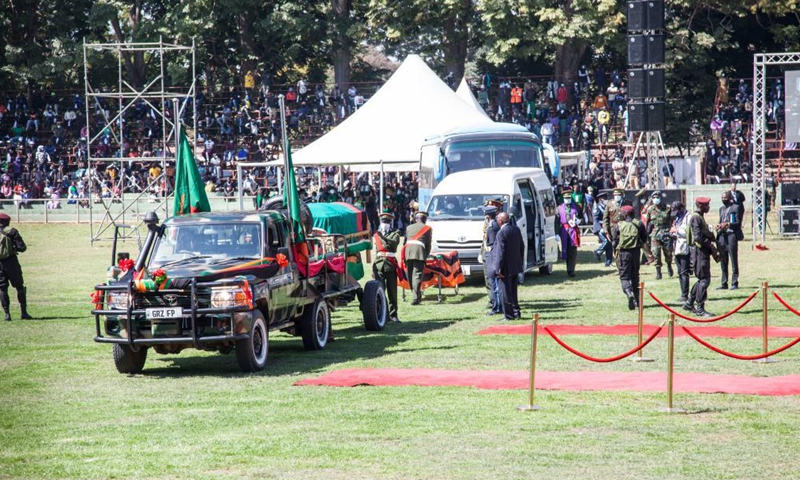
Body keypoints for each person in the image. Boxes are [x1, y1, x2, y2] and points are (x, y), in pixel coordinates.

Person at [683, 197, 719, 317]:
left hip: (701, 251)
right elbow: (697, 237)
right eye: (706, 205)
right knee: (704, 280)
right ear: (700, 206)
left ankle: (689, 303)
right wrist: (710, 244)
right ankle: (700, 308)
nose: (708, 207)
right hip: (699, 252)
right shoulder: (696, 218)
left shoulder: (700, 217)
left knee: (701, 280)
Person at [612, 205, 647, 310]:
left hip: (623, 254)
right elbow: (644, 238)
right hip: (636, 253)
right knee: (635, 276)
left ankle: (628, 292)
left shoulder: (618, 225)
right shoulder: (639, 224)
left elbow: (614, 242)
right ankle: (637, 301)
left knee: (624, 277)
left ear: (625, 214)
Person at [492, 212, 524, 320]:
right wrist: (520, 262)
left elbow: (500, 252)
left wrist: (498, 269)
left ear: (501, 221)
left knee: (505, 292)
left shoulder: (501, 233)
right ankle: (516, 312)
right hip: (515, 265)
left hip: (505, 267)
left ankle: (509, 315)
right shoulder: (516, 229)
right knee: (513, 291)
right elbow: (521, 247)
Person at [373, 210, 401, 323]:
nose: (385, 223)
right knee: (379, 291)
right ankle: (383, 314)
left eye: (387, 221)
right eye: (383, 221)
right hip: (379, 264)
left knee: (392, 291)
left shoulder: (395, 233)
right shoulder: (376, 234)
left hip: (390, 265)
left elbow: (393, 244)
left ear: (391, 222)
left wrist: (383, 238)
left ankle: (393, 314)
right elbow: (376, 251)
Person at [0, 213, 30, 320]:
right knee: (19, 287)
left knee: (3, 289)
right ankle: (24, 312)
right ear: (7, 221)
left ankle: (7, 314)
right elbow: (22, 247)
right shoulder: (12, 231)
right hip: (11, 262)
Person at [403, 211, 432, 305]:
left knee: (410, 275)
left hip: (408, 252)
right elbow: (428, 244)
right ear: (425, 219)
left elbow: (404, 242)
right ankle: (415, 298)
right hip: (419, 252)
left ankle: (416, 294)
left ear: (416, 219)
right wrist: (425, 255)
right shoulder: (427, 228)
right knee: (417, 275)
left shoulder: (408, 227)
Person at [716, 191, 744, 290]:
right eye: (722, 198)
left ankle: (734, 282)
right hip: (722, 236)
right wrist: (719, 226)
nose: (724, 199)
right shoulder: (721, 209)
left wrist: (727, 224)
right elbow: (720, 220)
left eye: (725, 198)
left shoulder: (736, 207)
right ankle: (724, 282)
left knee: (733, 259)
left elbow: (737, 222)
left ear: (730, 198)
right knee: (723, 261)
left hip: (731, 235)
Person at [645, 191, 674, 280]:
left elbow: (672, 220)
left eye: (657, 198)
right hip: (655, 233)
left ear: (660, 198)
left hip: (665, 232)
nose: (655, 200)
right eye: (653, 198)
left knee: (668, 252)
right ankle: (658, 272)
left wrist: (671, 231)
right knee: (656, 253)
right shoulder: (650, 209)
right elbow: (648, 222)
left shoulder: (667, 208)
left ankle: (669, 265)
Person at [482, 202, 502, 316]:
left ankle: (497, 307)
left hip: (492, 256)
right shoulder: (494, 224)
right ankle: (496, 306)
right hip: (492, 255)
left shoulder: (492, 226)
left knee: (494, 283)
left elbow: (492, 243)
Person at [670, 201, 691, 303]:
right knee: (680, 272)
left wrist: (676, 230)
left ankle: (685, 294)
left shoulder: (688, 217)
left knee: (684, 272)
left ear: (681, 208)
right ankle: (682, 293)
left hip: (684, 247)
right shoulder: (678, 218)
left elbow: (688, 232)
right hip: (677, 247)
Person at [558, 190, 581, 277]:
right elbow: (557, 221)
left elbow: (582, 217)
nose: (567, 199)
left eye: (568, 198)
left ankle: (571, 270)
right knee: (565, 250)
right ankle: (568, 266)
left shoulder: (576, 207)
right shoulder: (559, 208)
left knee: (572, 250)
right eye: (565, 198)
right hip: (564, 230)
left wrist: (578, 221)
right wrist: (557, 233)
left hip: (573, 230)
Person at [592, 192, 613, 267]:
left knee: (609, 244)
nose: (606, 200)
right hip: (600, 227)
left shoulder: (608, 206)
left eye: (606, 198)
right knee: (606, 241)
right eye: (604, 198)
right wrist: (600, 229)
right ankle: (597, 251)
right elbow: (595, 219)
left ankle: (608, 263)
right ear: (600, 199)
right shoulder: (597, 207)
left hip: (607, 227)